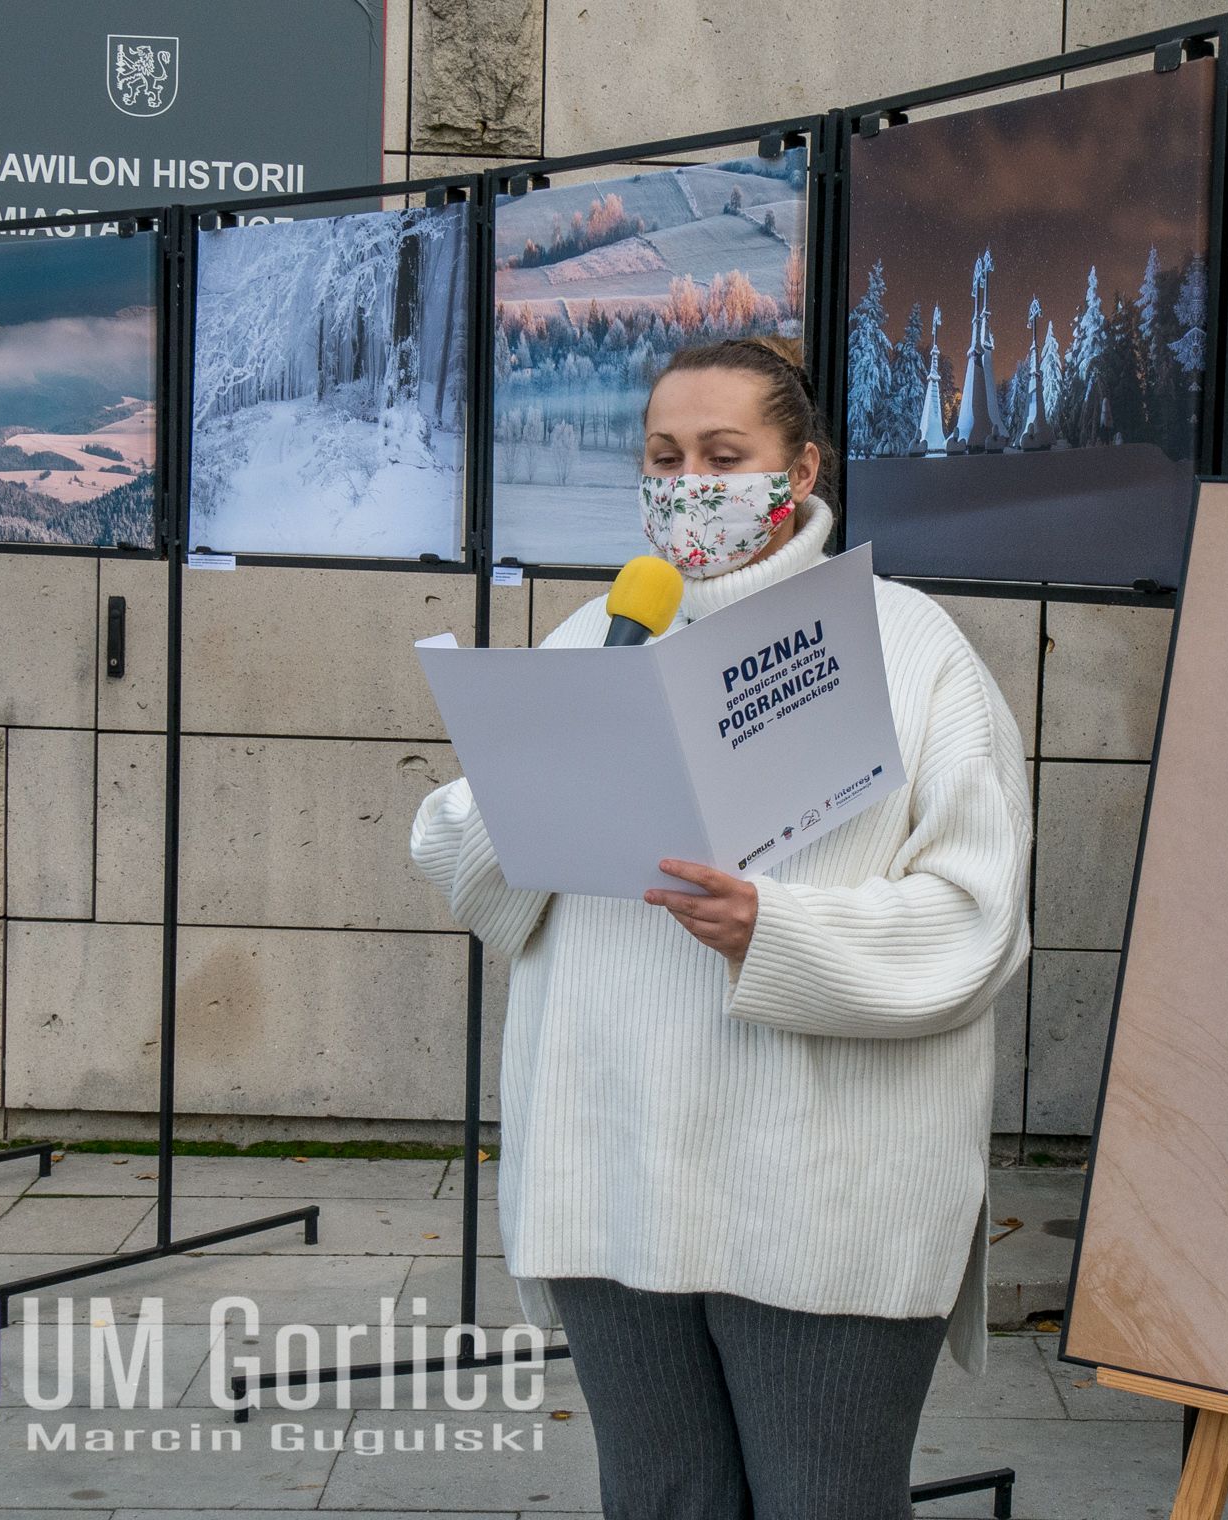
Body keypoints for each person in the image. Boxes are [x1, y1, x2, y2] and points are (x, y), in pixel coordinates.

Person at [409, 333, 1033, 1520]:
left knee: (822, 1501)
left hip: (818, 1190)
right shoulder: (598, 636)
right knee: (660, 1498)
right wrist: (539, 765)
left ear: (799, 469)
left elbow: (974, 919)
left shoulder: (910, 649)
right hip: (609, 1173)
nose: (686, 481)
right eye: (662, 453)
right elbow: (464, 864)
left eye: (721, 453)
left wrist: (774, 928)